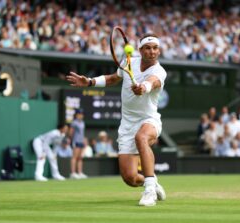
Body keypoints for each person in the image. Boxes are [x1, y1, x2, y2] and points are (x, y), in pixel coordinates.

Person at [66, 33, 167, 206]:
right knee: (130, 178)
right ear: (141, 50)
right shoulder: (129, 62)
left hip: (149, 120)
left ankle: (149, 192)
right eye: (148, 48)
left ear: (159, 51)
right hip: (127, 124)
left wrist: (143, 87)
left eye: (155, 48)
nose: (152, 52)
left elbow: (152, 82)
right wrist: (89, 82)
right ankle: (151, 182)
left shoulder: (159, 71)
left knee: (141, 137)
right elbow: (113, 78)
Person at [69, 109, 88, 179]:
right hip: (76, 141)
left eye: (82, 114)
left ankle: (80, 172)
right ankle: (73, 173)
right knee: (74, 157)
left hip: (81, 142)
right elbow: (71, 133)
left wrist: (83, 140)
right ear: (77, 115)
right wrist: (72, 140)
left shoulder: (83, 122)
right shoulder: (74, 123)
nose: (81, 115)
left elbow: (82, 133)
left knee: (80, 158)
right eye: (80, 114)